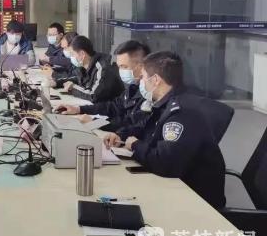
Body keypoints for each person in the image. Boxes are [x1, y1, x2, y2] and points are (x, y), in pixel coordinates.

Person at [103, 51, 226, 209]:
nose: (141, 82)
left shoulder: (182, 111)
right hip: (175, 187)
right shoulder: (166, 102)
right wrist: (120, 135)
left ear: (155, 80)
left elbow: (165, 163)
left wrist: (135, 145)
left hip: (195, 202)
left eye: (143, 77)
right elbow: (144, 126)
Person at [58, 40, 150, 131]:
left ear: (141, 67)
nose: (120, 71)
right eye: (119, 67)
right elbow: (113, 106)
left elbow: (129, 123)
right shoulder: (133, 86)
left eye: (124, 67)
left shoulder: (148, 94)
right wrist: (79, 109)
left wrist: (94, 122)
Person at [62, 35, 123, 102]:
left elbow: (94, 95)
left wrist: (73, 88)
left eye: (72, 54)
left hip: (109, 107)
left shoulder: (103, 67)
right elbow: (79, 79)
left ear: (82, 54)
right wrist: (57, 82)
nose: (71, 57)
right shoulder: (84, 66)